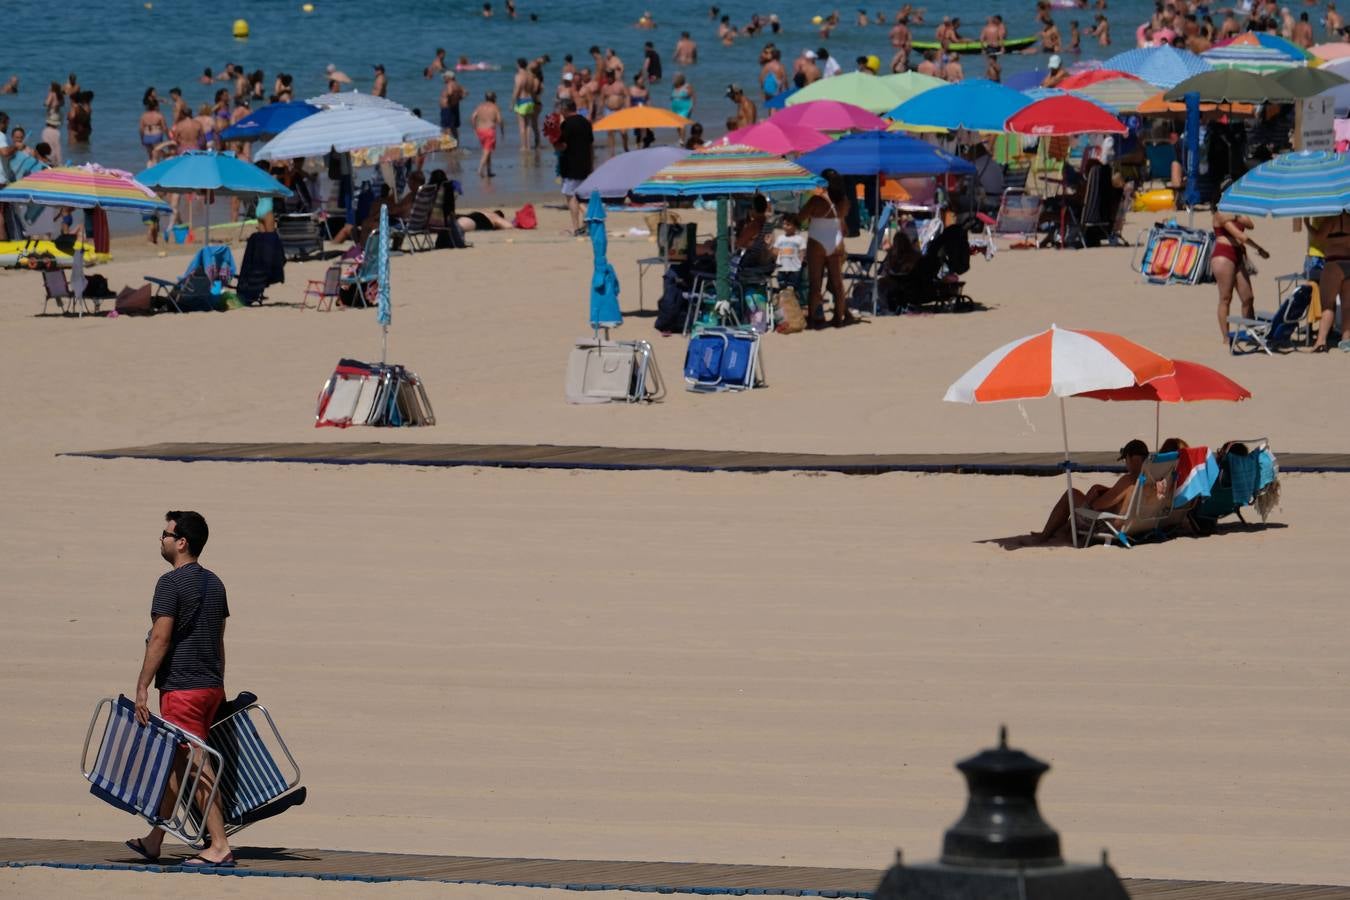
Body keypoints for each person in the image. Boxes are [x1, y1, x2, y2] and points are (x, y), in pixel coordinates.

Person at [123, 511, 235, 868]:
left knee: (197, 764)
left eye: (166, 534)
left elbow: (160, 637)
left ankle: (218, 845)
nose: (162, 539)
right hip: (209, 686)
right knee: (178, 761)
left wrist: (142, 686)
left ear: (182, 542)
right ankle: (155, 840)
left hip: (183, 688)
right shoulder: (216, 583)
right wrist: (217, 683)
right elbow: (218, 638)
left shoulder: (169, 584)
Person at [1023, 440, 1151, 544]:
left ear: (1132, 458)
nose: (1125, 464)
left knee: (1071, 494)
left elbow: (1098, 505)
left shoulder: (1128, 479)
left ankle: (1046, 535)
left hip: (1108, 525)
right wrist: (1105, 490)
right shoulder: (1150, 478)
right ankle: (1063, 531)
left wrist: (1095, 496)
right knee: (1095, 489)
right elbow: (1124, 498)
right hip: (1134, 523)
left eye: (1126, 459)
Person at [799, 168, 853, 328]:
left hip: (817, 242)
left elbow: (800, 217)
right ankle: (838, 318)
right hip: (836, 243)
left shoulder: (817, 201)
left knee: (815, 284)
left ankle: (814, 319)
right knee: (837, 284)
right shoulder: (844, 202)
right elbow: (844, 225)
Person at [1211, 204, 1268, 344]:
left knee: (1248, 297)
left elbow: (1250, 224)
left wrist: (1237, 214)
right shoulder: (1220, 213)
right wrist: (1260, 249)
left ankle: (1251, 331)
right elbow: (1240, 235)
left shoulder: (1236, 211)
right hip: (1223, 255)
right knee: (1225, 297)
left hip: (1238, 255)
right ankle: (1226, 338)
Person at [1309, 212, 1350, 351]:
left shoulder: (1331, 220)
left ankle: (1321, 341)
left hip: (1333, 262)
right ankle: (1346, 340)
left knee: (1328, 305)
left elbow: (1319, 238)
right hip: (1348, 261)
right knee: (1347, 306)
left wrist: (1308, 226)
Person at [556, 99, 594, 235]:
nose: (560, 112)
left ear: (565, 110)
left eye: (561, 109)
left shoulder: (566, 125)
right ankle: (588, 219)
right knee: (580, 195)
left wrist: (554, 141)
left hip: (570, 164)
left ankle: (576, 226)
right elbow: (590, 145)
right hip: (585, 163)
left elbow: (562, 146)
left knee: (570, 196)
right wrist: (591, 164)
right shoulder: (585, 123)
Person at [471, 91, 503, 178]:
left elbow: (473, 117)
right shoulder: (495, 107)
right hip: (489, 131)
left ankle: (489, 171)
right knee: (487, 151)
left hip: (480, 130)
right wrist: (502, 130)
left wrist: (474, 128)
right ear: (494, 98)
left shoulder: (480, 106)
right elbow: (500, 120)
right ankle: (480, 169)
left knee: (487, 150)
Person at [773, 214, 807, 294]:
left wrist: (800, 262)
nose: (785, 226)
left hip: (794, 269)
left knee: (791, 290)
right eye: (784, 224)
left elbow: (802, 251)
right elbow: (775, 250)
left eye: (788, 224)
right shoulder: (780, 238)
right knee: (782, 289)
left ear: (795, 226)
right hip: (782, 268)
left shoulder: (799, 239)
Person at [139, 98, 168, 162]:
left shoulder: (143, 116)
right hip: (156, 136)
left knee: (150, 157)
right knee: (157, 157)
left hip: (146, 137)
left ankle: (150, 169)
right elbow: (165, 128)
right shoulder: (159, 115)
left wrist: (142, 139)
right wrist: (169, 138)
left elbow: (141, 129)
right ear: (156, 106)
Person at [440, 71, 465, 141]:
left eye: (444, 77)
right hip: (454, 107)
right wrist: (457, 99)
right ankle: (455, 144)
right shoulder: (457, 85)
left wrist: (450, 100)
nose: (443, 78)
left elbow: (450, 93)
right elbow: (465, 92)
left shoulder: (449, 85)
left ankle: (448, 146)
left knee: (446, 128)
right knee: (453, 127)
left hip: (447, 108)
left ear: (449, 77)